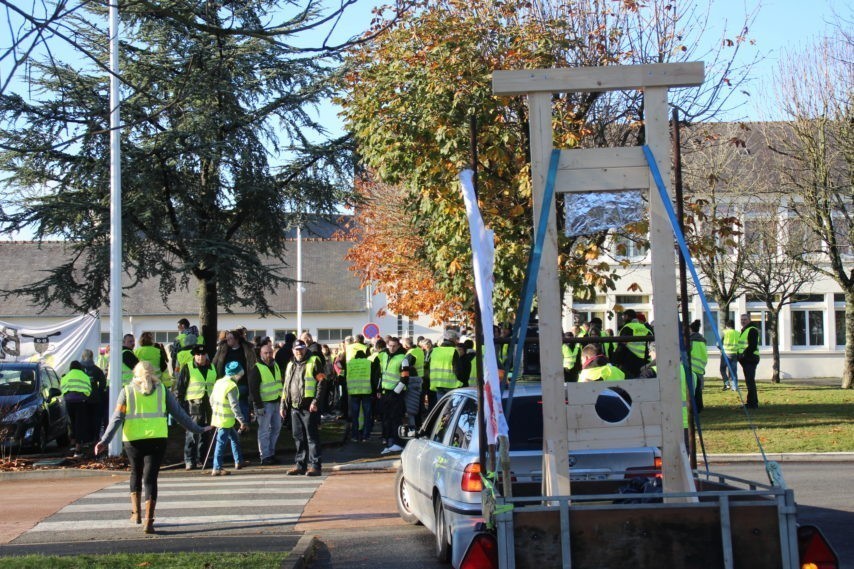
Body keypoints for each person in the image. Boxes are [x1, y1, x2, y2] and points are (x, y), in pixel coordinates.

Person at [94, 361, 210, 533]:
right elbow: (180, 414)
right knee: (150, 478)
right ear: (153, 373)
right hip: (157, 438)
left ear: (135, 373)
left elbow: (117, 418)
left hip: (133, 440)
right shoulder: (162, 390)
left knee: (136, 473)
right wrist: (199, 429)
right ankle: (149, 519)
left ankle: (136, 513)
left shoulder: (127, 391)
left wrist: (105, 441)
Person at [280, 340, 325, 476]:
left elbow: (322, 381)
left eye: (301, 349)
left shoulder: (314, 361)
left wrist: (316, 401)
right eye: (296, 349)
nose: (299, 352)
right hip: (295, 406)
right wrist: (283, 404)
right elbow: (286, 386)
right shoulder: (290, 365)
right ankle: (301, 465)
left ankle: (315, 466)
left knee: (312, 437)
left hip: (309, 406)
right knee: (298, 437)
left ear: (305, 349)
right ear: (293, 350)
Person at [175, 344, 217, 470]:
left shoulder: (212, 367)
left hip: (209, 404)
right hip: (193, 405)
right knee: (192, 432)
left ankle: (202, 458)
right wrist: (180, 406)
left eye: (203, 354)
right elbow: (180, 388)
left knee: (206, 431)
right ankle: (189, 459)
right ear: (194, 355)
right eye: (198, 355)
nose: (200, 357)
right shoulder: (188, 367)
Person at [210, 361, 249, 476]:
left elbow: (211, 399)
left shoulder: (219, 382)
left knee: (234, 438)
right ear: (237, 374)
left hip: (219, 417)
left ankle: (239, 461)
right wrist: (242, 421)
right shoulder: (231, 386)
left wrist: (216, 410)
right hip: (225, 420)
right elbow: (234, 406)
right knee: (221, 442)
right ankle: (216, 468)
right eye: (240, 375)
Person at [213, 329, 257, 428]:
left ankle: (244, 425)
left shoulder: (246, 349)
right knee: (229, 404)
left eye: (230, 338)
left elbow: (252, 364)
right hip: (226, 383)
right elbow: (216, 363)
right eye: (227, 338)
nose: (228, 340)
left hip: (242, 382)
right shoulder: (223, 349)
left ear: (237, 339)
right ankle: (231, 424)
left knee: (242, 403)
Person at [379, 337, 416, 454]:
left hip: (396, 393)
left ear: (398, 346)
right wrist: (379, 388)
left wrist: (395, 393)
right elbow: (382, 374)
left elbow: (405, 378)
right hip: (385, 392)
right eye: (390, 345)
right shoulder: (385, 356)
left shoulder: (403, 359)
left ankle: (398, 443)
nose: (392, 348)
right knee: (386, 419)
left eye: (394, 346)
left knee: (396, 419)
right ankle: (390, 442)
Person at [249, 343, 283, 465]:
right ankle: (265, 456)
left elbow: (279, 383)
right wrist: (258, 405)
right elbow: (253, 389)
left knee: (276, 428)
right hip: (264, 404)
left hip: (276, 402)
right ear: (261, 354)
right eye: (266, 353)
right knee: (264, 431)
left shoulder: (276, 365)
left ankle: (271, 453)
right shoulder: (257, 368)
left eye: (270, 352)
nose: (269, 355)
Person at [342, 349, 380, 442]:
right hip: (366, 391)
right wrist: (375, 390)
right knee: (367, 415)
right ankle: (365, 436)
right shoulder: (368, 363)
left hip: (354, 391)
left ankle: (355, 436)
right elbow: (374, 377)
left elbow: (344, 376)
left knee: (355, 415)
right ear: (365, 356)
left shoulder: (350, 363)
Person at [60, 360, 94, 457]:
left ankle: (72, 444)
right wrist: (85, 397)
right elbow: (88, 390)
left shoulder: (66, 376)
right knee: (80, 424)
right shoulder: (85, 376)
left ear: (70, 367)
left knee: (72, 423)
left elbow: (62, 388)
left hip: (69, 402)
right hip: (81, 402)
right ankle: (78, 450)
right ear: (80, 367)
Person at [425, 329, 462, 410]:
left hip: (437, 383)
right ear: (451, 339)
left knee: (442, 408)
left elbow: (428, 366)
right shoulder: (453, 351)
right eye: (456, 339)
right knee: (452, 409)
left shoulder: (435, 350)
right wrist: (460, 380)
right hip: (451, 384)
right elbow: (457, 369)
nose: (457, 341)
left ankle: (442, 422)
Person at [612, 309, 652, 378]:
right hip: (644, 361)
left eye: (623, 316)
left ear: (627, 316)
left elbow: (621, 345)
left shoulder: (627, 327)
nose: (622, 318)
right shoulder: (644, 327)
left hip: (629, 360)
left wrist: (615, 360)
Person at [80, 348, 108, 441]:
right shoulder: (97, 370)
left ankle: (85, 438)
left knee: (84, 418)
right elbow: (103, 382)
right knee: (96, 419)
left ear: (83, 357)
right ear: (92, 357)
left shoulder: (79, 369)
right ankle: (95, 437)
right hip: (95, 397)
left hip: (81, 398)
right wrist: (99, 392)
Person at [401, 336, 424, 432]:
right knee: (418, 404)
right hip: (420, 380)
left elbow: (406, 367)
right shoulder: (419, 350)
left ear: (406, 345)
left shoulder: (411, 353)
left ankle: (413, 428)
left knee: (411, 407)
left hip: (412, 380)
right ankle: (419, 425)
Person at [738, 313, 761, 409]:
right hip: (746, 359)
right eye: (742, 319)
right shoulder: (745, 330)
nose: (743, 321)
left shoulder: (751, 330)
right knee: (749, 381)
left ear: (749, 320)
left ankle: (753, 403)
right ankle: (751, 402)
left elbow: (752, 345)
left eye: (745, 319)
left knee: (750, 381)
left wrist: (744, 355)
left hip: (750, 358)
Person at [688, 320, 709, 412]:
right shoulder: (703, 340)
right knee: (698, 389)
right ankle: (699, 407)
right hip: (700, 367)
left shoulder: (690, 340)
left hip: (692, 367)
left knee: (691, 389)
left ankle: (694, 408)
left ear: (690, 329)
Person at [720, 319, 740, 390]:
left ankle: (727, 384)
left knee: (722, 369)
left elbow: (718, 343)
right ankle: (734, 387)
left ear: (726, 325)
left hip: (725, 353)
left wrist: (721, 349)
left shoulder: (724, 332)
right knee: (733, 371)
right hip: (734, 354)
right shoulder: (738, 333)